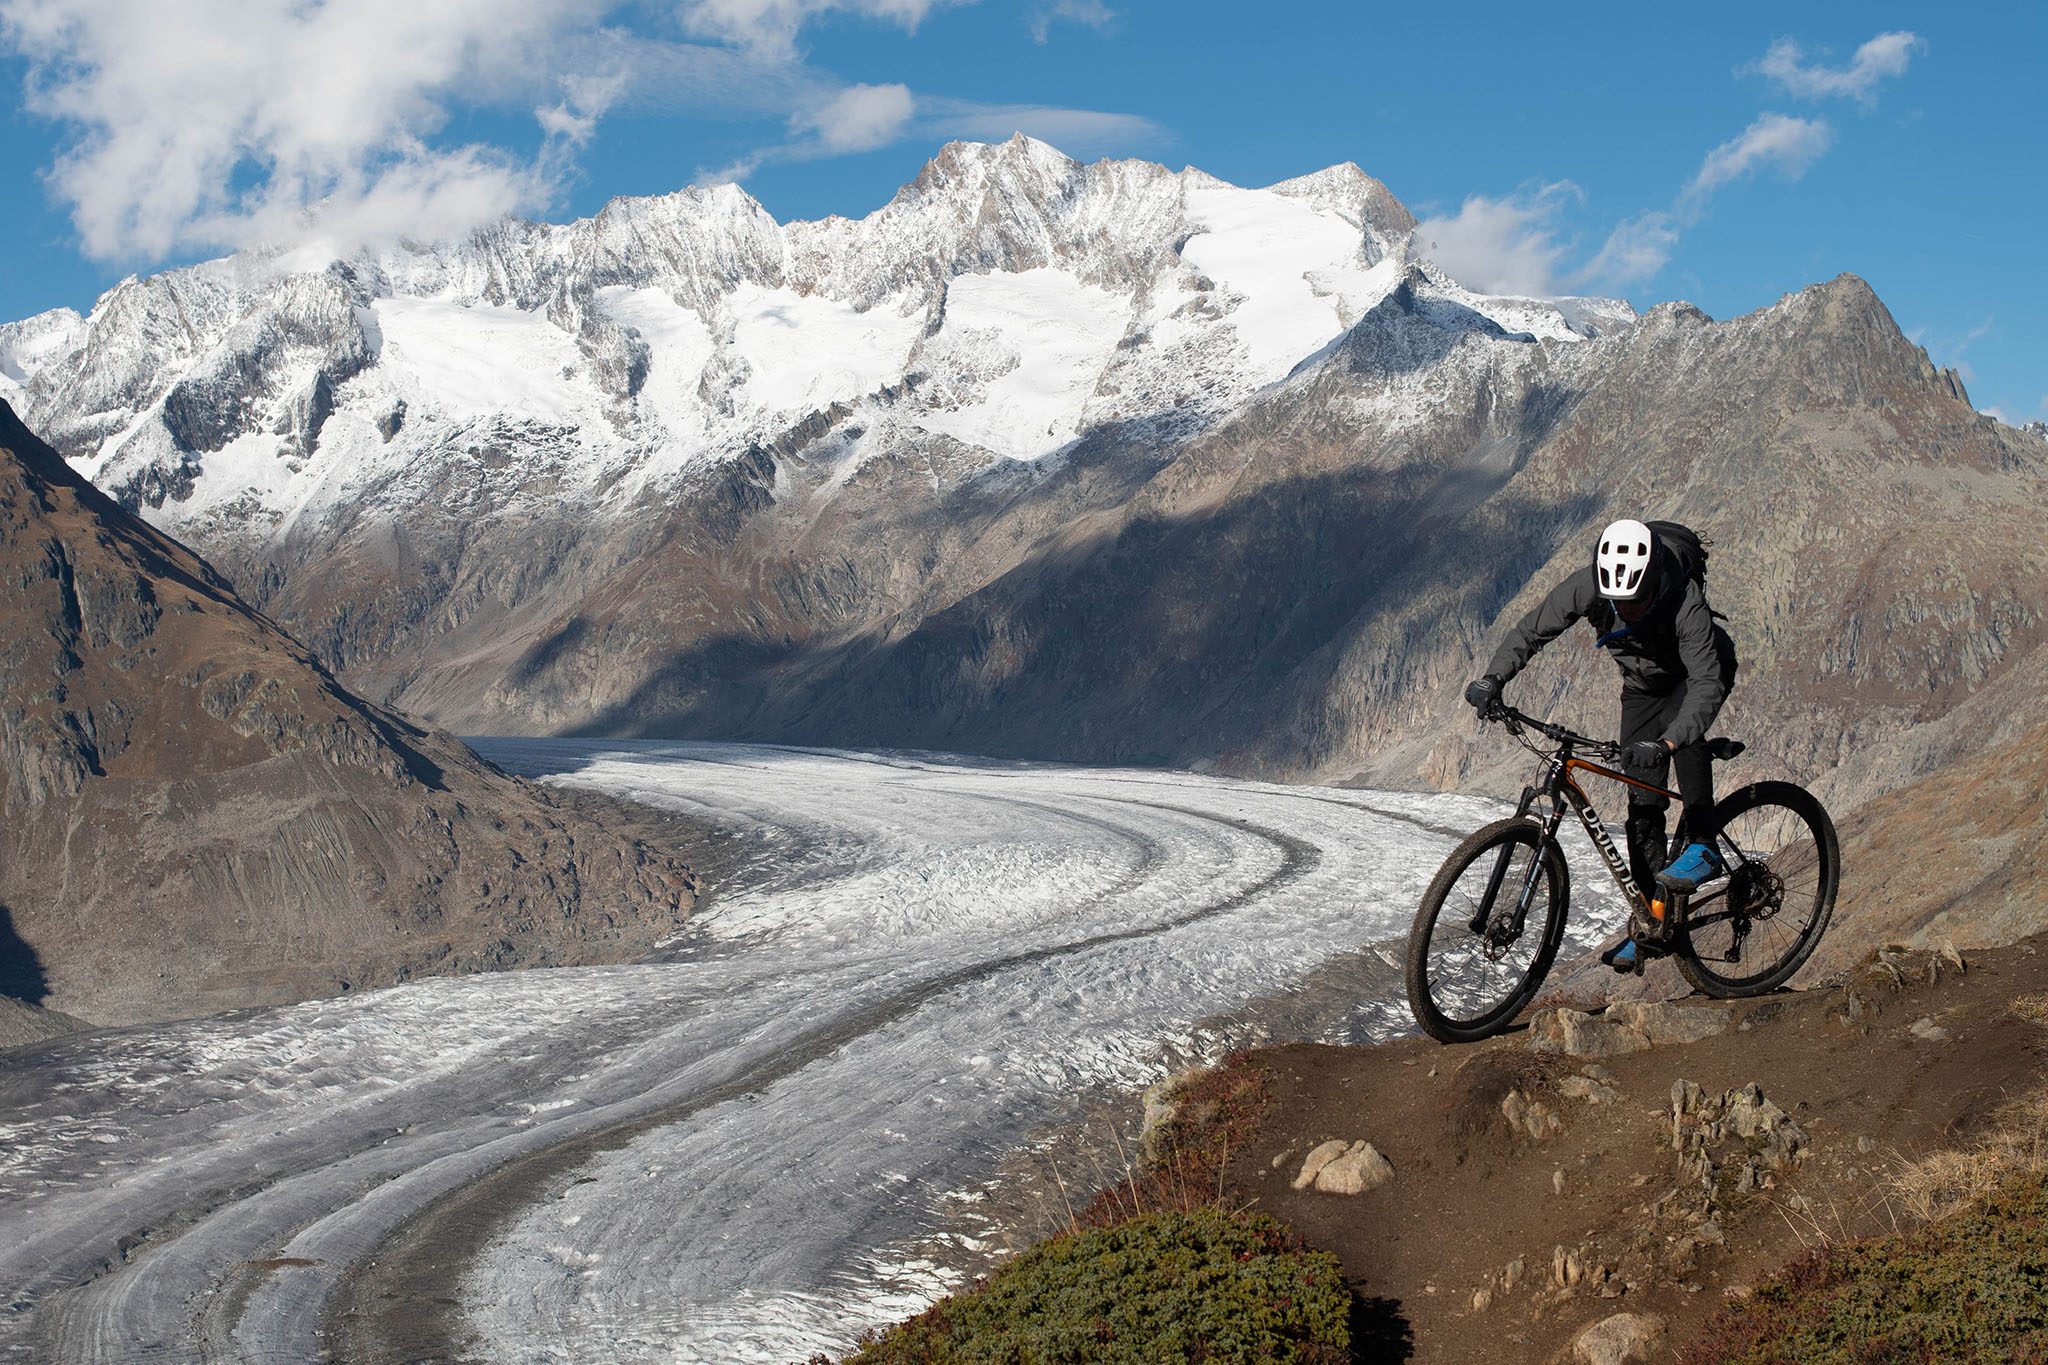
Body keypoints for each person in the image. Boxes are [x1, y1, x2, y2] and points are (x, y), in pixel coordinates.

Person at [1462, 519, 1738, 970]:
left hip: (1696, 677)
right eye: (1618, 602)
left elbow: (1707, 683)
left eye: (1636, 601)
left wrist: (1666, 744)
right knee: (1642, 811)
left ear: (1651, 581)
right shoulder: (1590, 585)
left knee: (1685, 737)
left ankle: (1705, 843)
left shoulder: (1684, 600)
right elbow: (1533, 629)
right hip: (1643, 688)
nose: (1626, 611)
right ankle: (1654, 922)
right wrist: (1493, 678)